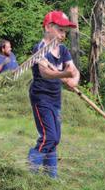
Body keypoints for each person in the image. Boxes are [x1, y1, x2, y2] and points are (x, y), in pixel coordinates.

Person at [28, 10, 80, 178]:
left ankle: (51, 176)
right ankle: (31, 167)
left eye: (65, 31)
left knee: (55, 138)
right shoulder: (40, 49)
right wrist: (64, 75)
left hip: (55, 97)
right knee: (48, 136)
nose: (63, 35)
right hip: (40, 96)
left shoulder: (63, 50)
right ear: (49, 27)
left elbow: (74, 70)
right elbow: (45, 73)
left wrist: (74, 80)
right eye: (60, 30)